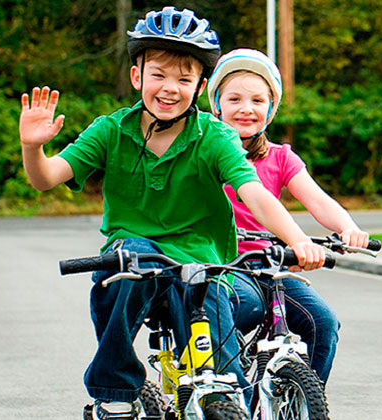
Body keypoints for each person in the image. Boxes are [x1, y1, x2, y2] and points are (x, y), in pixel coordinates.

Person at [17, 8, 326, 418]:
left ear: (199, 87)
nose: (169, 88)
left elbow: (255, 194)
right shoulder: (110, 131)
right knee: (130, 262)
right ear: (136, 77)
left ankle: (222, 388)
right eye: (158, 74)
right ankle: (115, 391)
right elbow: (47, 178)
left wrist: (298, 239)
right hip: (137, 261)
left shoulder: (214, 136)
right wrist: (33, 147)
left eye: (184, 79)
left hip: (201, 263)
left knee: (221, 366)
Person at [204, 48, 370, 384]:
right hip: (221, 263)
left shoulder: (281, 157)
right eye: (234, 99)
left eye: (257, 100)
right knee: (245, 306)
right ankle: (234, 395)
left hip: (270, 263)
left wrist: (347, 227)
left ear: (270, 110)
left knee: (323, 323)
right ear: (217, 104)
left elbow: (319, 201)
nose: (246, 108)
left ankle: (306, 400)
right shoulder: (204, 149)